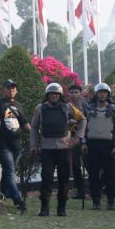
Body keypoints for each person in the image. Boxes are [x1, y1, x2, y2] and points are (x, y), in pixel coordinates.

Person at [29, 82, 85, 217]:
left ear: (59, 95)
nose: (54, 96)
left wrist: (77, 138)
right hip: (47, 147)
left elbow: (83, 119)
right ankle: (44, 207)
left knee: (64, 178)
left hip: (64, 147)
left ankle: (61, 207)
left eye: (56, 94)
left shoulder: (68, 107)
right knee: (46, 177)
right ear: (47, 95)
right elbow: (34, 127)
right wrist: (33, 145)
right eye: (51, 94)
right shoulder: (40, 108)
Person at [81, 83, 115, 210]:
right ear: (96, 94)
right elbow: (81, 127)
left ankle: (110, 201)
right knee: (93, 175)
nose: (102, 94)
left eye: (105, 92)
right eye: (100, 92)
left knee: (110, 175)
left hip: (108, 145)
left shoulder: (114, 110)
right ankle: (96, 201)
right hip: (92, 145)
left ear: (108, 94)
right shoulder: (88, 109)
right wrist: (83, 143)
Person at [0, 79, 29, 212]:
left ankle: (1, 195)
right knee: (10, 172)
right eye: (8, 88)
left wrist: (36, 135)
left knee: (8, 172)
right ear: (3, 89)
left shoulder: (18, 105)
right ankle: (18, 200)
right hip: (4, 145)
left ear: (16, 91)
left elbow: (24, 124)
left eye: (13, 88)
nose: (11, 90)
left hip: (17, 145)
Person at [67, 84, 88, 201]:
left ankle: (95, 190)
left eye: (76, 92)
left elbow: (88, 122)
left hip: (86, 139)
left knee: (89, 165)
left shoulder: (85, 106)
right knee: (75, 166)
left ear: (80, 93)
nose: (74, 94)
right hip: (72, 139)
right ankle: (80, 191)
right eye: (72, 92)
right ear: (68, 94)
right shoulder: (66, 107)